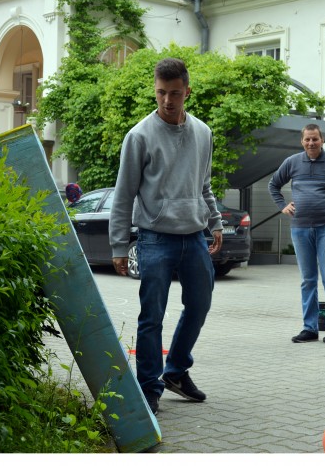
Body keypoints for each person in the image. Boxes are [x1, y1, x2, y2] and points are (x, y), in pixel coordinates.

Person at [109, 57, 223, 416]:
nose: (167, 101)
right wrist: (118, 245)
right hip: (155, 237)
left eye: (175, 93)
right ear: (155, 90)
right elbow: (124, 194)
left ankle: (176, 370)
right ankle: (149, 386)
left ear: (187, 92)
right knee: (151, 316)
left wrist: (216, 222)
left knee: (200, 306)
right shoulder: (139, 136)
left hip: (194, 237)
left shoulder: (203, 133)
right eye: (161, 93)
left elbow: (203, 185)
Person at [268, 124, 325, 344]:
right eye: (307, 140)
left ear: (322, 140)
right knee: (308, 280)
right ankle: (310, 328)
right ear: (302, 141)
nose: (311, 143)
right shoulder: (292, 162)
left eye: (315, 139)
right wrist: (282, 206)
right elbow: (273, 184)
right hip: (300, 228)